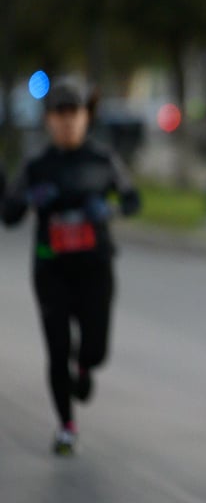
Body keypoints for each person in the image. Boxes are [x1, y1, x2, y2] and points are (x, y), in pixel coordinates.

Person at [1, 79, 141, 456]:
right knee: (58, 348)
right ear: (48, 120)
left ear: (86, 117)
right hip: (52, 269)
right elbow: (9, 215)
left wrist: (109, 209)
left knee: (94, 350)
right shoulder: (36, 165)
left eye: (74, 114)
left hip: (95, 267)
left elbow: (132, 200)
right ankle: (66, 425)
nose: (67, 122)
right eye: (59, 115)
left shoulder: (103, 159)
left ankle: (85, 368)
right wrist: (29, 199)